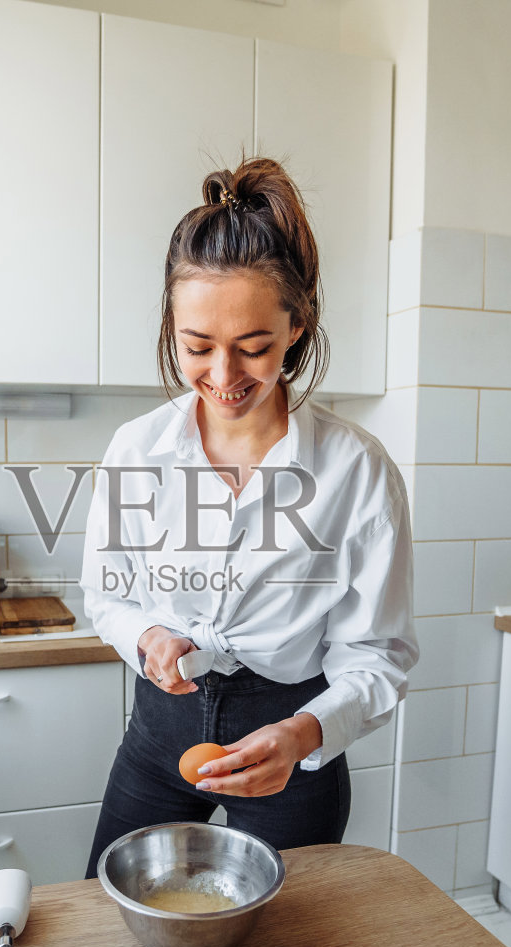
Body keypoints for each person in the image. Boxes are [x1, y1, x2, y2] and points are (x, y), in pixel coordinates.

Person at [80, 157, 418, 877]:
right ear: (172, 326)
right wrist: (148, 636)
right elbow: (108, 594)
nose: (224, 376)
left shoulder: (357, 470)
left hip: (295, 744)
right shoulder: (136, 450)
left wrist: (301, 736)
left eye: (254, 347)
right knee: (109, 922)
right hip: (158, 736)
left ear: (297, 325)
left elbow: (380, 655)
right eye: (197, 346)